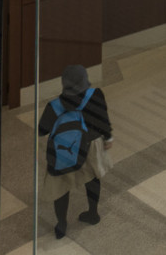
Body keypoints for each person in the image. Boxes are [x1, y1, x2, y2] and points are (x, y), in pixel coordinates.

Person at [39, 64, 112, 239]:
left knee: (61, 188)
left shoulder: (54, 106)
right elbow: (103, 121)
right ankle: (93, 213)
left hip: (64, 153)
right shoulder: (95, 95)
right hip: (91, 147)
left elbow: (42, 130)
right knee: (92, 178)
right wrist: (108, 138)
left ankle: (62, 224)